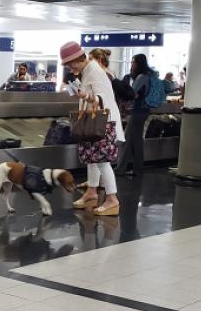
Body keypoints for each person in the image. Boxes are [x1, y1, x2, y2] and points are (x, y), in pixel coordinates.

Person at [60, 41, 124, 216]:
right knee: (92, 159)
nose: (70, 67)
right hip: (94, 123)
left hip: (102, 124)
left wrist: (85, 95)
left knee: (102, 161)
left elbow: (102, 99)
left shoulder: (94, 71)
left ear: (77, 60)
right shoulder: (88, 71)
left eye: (70, 64)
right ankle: (91, 193)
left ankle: (112, 200)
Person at [115, 53, 153, 177]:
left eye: (133, 62)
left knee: (126, 141)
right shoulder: (148, 76)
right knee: (136, 142)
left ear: (138, 63)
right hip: (143, 111)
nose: (132, 64)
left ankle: (120, 169)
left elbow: (132, 92)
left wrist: (120, 85)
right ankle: (138, 169)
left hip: (137, 112)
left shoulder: (141, 77)